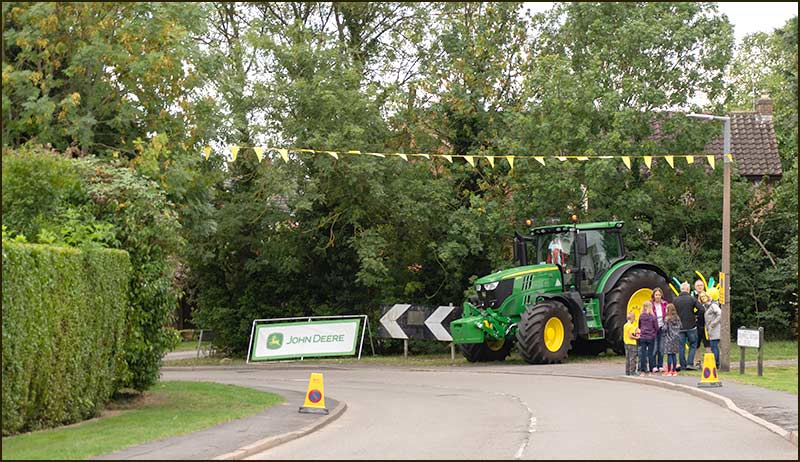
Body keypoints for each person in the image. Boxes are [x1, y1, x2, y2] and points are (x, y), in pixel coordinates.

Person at [674, 282, 704, 371]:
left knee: (681, 346)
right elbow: (702, 309)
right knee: (693, 344)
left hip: (679, 326)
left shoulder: (675, 300)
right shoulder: (692, 299)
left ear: (681, 289)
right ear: (688, 289)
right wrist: (695, 315)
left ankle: (682, 365)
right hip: (691, 326)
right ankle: (690, 363)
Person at [637, 301, 659, 377]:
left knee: (643, 354)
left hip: (643, 336)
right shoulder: (653, 317)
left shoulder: (641, 316)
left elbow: (639, 326)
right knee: (650, 354)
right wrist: (654, 333)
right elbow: (656, 327)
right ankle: (651, 369)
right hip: (651, 336)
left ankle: (643, 370)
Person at [701, 291, 722, 369]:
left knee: (714, 346)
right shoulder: (705, 306)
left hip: (715, 329)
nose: (703, 298)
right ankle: (715, 363)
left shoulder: (713, 305)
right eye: (702, 297)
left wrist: (714, 323)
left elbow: (720, 313)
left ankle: (716, 363)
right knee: (713, 346)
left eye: (704, 297)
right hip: (710, 330)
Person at [651, 287, 669, 373]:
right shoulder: (651, 304)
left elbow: (667, 315)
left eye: (659, 295)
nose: (658, 296)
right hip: (653, 328)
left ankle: (660, 365)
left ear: (661, 295)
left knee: (661, 348)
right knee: (654, 348)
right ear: (653, 296)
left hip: (662, 327)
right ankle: (653, 365)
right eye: (656, 295)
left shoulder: (665, 304)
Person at [662, 303, 682, 376]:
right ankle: (674, 371)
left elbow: (665, 328)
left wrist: (662, 328)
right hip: (676, 338)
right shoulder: (677, 318)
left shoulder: (667, 318)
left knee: (669, 354)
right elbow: (681, 326)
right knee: (674, 354)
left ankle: (669, 371)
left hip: (669, 337)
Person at [693, 279, 709, 367]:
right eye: (698, 285)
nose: (699, 287)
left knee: (708, 343)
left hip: (707, 323)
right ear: (695, 287)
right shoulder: (692, 297)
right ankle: (697, 362)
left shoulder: (708, 295)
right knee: (696, 343)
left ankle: (709, 362)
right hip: (697, 323)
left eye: (701, 285)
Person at [623, 311, 640, 376]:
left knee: (627, 358)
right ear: (632, 318)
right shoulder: (631, 326)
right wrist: (637, 337)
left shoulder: (625, 325)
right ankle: (632, 372)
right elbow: (631, 336)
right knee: (633, 358)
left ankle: (627, 372)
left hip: (626, 343)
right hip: (632, 343)